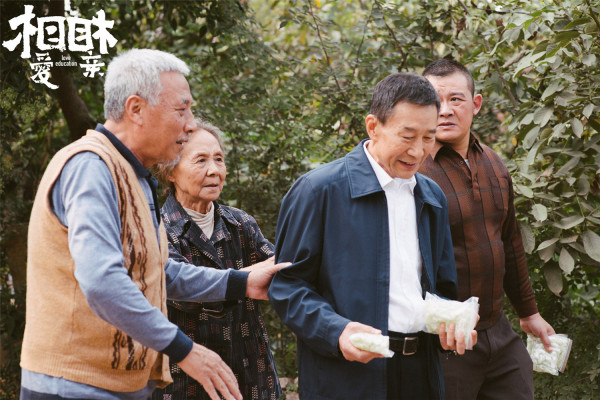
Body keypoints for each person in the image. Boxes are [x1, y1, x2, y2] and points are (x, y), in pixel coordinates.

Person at [20, 48, 288, 400]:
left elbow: (157, 273)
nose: (190, 123)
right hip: (74, 386)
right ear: (136, 109)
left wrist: (241, 282)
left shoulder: (135, 177)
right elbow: (102, 282)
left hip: (121, 385)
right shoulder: (91, 168)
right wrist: (185, 350)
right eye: (182, 109)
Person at [269, 73, 476, 400]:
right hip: (348, 377)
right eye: (407, 136)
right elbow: (287, 286)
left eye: (428, 137)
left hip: (420, 373)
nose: (418, 151)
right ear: (373, 127)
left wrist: (450, 324)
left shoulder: (431, 196)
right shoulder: (319, 190)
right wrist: (336, 331)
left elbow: (442, 288)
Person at [419, 59, 556, 400]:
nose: (445, 110)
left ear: (476, 104)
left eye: (456, 99)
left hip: (498, 330)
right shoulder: (414, 171)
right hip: (444, 339)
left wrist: (529, 313)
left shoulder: (494, 164)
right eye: (435, 100)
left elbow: (510, 243)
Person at [152, 121, 282, 400]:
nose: (214, 170)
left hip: (251, 376)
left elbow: (280, 272)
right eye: (201, 160)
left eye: (219, 159)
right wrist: (248, 279)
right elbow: (184, 293)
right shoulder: (158, 230)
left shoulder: (240, 223)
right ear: (170, 171)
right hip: (186, 382)